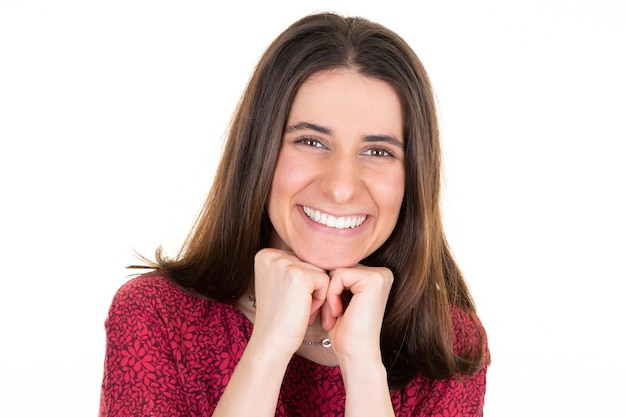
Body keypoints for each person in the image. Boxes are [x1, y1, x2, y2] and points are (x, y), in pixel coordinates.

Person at [99, 11, 489, 417]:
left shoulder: (450, 349)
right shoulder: (156, 315)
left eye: (378, 151)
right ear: (260, 152)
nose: (341, 186)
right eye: (311, 141)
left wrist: (363, 367)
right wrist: (267, 349)